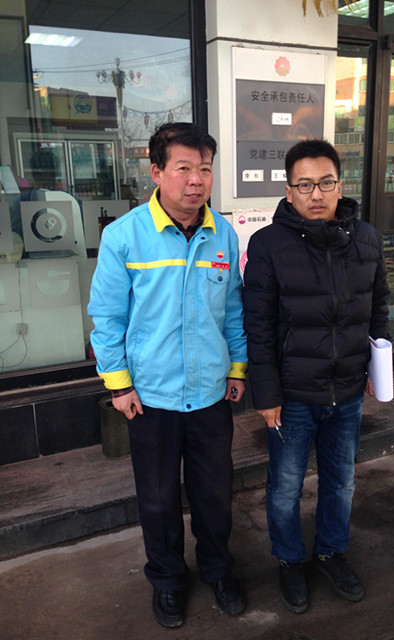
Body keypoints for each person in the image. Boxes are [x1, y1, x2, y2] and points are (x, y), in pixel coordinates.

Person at [88, 122, 247, 628]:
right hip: (151, 399)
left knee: (214, 496)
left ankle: (218, 570)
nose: (196, 180)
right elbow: (107, 318)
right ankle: (168, 580)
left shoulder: (223, 234)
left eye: (205, 169)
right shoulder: (124, 236)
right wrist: (119, 385)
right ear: (157, 173)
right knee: (157, 501)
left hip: (210, 395)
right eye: (184, 168)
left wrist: (237, 369)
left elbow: (234, 311)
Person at [242, 139, 390, 614]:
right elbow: (258, 327)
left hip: (347, 389)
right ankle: (289, 560)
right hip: (292, 396)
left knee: (340, 481)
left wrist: (378, 364)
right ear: (289, 192)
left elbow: (378, 308)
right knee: (285, 485)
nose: (316, 194)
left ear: (339, 185)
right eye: (304, 185)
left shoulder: (366, 239)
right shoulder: (268, 245)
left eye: (326, 182)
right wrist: (266, 394)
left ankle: (330, 552)